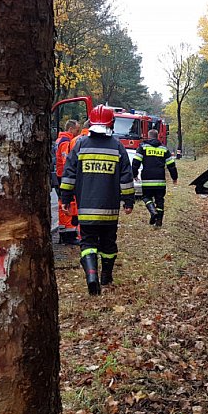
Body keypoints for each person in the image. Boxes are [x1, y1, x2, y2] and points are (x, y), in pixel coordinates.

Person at [60, 105, 135, 295]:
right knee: (108, 243)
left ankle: (91, 276)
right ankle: (106, 276)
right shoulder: (118, 146)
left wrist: (66, 199)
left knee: (88, 242)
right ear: (112, 123)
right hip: (109, 209)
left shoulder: (80, 145)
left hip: (86, 208)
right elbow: (126, 178)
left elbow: (69, 175)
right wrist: (128, 201)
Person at [132, 129, 178, 227]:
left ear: (148, 136)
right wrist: (174, 177)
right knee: (160, 200)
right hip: (160, 180)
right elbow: (171, 165)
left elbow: (136, 163)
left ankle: (153, 212)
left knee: (146, 197)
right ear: (157, 137)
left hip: (147, 178)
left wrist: (134, 174)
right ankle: (159, 221)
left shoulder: (143, 147)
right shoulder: (164, 149)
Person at [55, 120, 80, 244]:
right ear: (70, 129)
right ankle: (68, 235)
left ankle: (65, 233)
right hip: (64, 177)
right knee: (68, 204)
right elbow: (67, 162)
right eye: (76, 130)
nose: (77, 133)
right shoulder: (65, 142)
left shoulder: (59, 140)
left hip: (59, 176)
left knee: (63, 204)